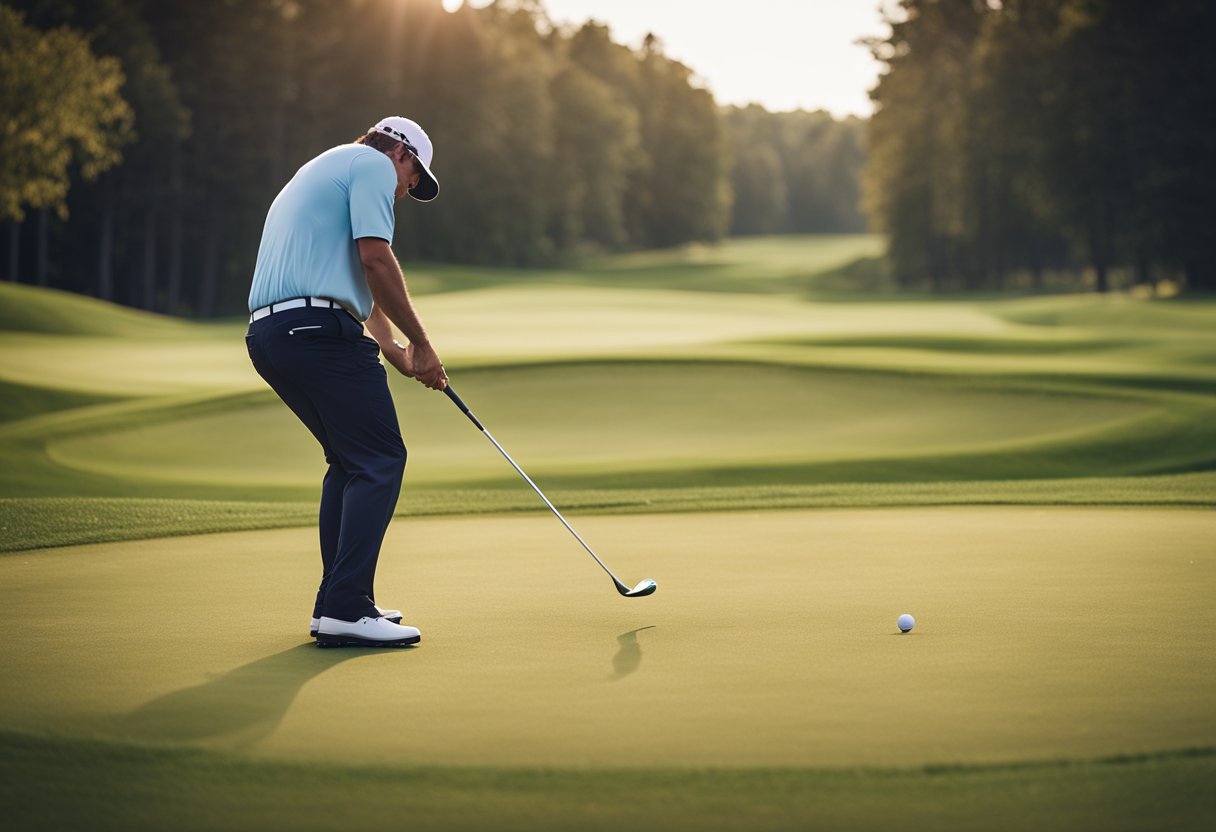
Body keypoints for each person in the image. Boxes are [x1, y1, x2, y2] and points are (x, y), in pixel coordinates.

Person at [244, 116, 446, 648]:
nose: (405, 191)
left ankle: (334, 603)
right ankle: (347, 607)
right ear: (400, 153)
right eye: (412, 179)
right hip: (317, 333)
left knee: (351, 461)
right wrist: (422, 344)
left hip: (273, 335)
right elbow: (376, 260)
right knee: (380, 460)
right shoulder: (374, 165)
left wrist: (395, 351)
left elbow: (353, 282)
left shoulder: (329, 167)